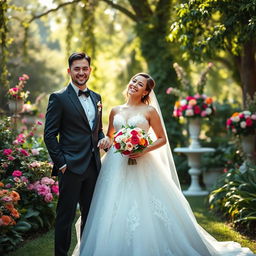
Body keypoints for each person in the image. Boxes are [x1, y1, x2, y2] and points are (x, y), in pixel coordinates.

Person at [73, 73, 254, 256]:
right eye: (134, 81)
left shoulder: (149, 111)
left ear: (145, 92)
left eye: (140, 84)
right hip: (116, 163)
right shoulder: (115, 110)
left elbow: (161, 138)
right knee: (111, 204)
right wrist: (106, 141)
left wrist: (143, 149)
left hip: (143, 162)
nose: (134, 85)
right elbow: (111, 135)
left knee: (145, 203)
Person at [44, 52, 108, 256]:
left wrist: (104, 140)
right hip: (70, 168)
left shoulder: (97, 97)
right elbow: (49, 135)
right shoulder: (59, 98)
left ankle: (86, 252)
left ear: (90, 70)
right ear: (69, 71)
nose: (81, 72)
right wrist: (62, 163)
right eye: (77, 68)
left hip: (93, 166)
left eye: (84, 68)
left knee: (90, 216)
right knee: (66, 217)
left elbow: (97, 131)